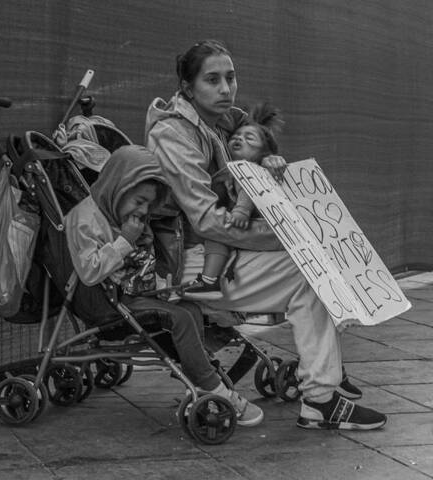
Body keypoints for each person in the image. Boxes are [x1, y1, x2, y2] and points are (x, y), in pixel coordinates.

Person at [144, 39, 385, 430]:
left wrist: (271, 160)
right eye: (212, 80)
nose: (226, 89)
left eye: (231, 77)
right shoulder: (173, 134)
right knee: (309, 271)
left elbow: (255, 168)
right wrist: (290, 236)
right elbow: (206, 220)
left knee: (314, 264)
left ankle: (324, 385)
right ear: (188, 88)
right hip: (184, 266)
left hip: (217, 251)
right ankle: (322, 396)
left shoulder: (222, 123)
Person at [64, 144, 264, 426]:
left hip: (131, 294)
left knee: (191, 310)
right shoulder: (83, 218)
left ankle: (199, 375)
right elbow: (89, 272)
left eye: (148, 204)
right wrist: (125, 242)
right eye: (139, 200)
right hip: (105, 302)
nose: (143, 209)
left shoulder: (118, 212)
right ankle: (216, 390)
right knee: (180, 318)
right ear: (117, 186)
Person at [184, 102, 284, 301]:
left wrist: (241, 211)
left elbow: (248, 190)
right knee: (216, 238)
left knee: (217, 237)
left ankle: (209, 280)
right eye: (236, 136)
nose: (239, 138)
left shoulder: (252, 169)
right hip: (230, 233)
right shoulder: (225, 165)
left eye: (249, 138)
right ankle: (209, 281)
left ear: (265, 153)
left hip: (247, 227)